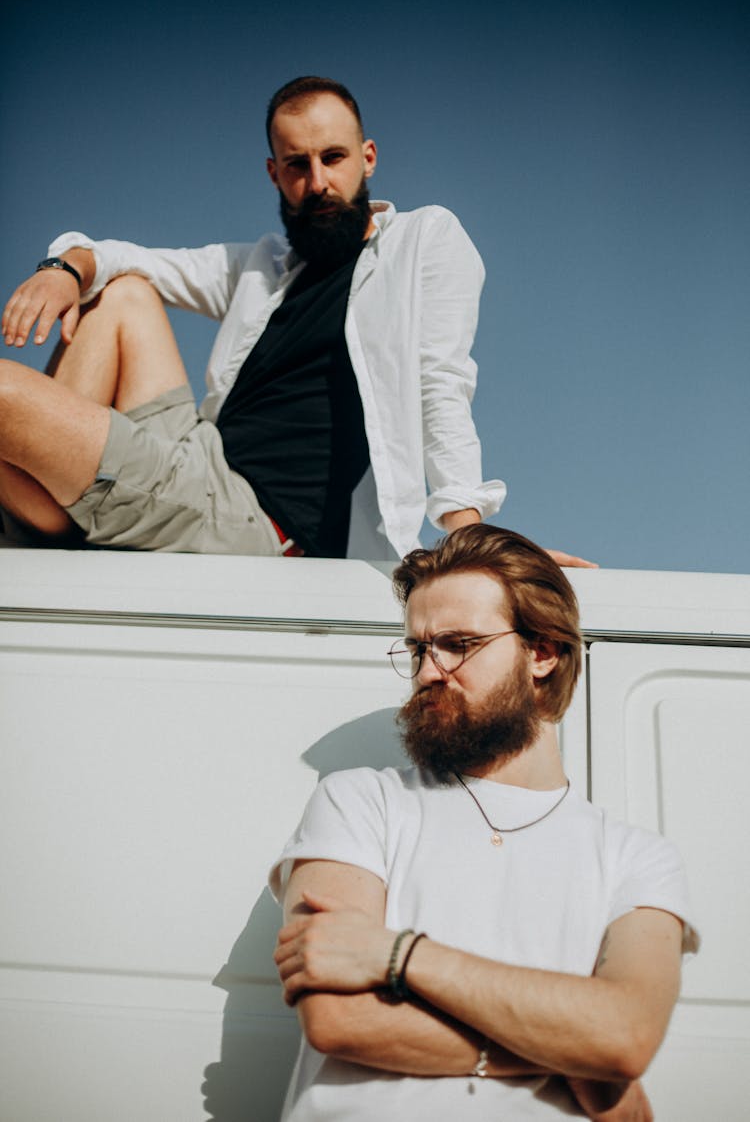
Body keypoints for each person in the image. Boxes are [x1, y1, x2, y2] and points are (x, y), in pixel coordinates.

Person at [270, 524, 698, 1120]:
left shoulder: (637, 857)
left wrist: (399, 955)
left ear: (542, 652)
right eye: (419, 649)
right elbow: (339, 1018)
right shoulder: (360, 802)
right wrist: (574, 1055)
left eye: (458, 644)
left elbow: (625, 1036)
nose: (427, 672)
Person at [0, 75, 522, 560]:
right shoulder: (265, 267)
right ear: (275, 173)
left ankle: (44, 515)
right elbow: (127, 257)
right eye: (297, 165)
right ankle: (52, 515)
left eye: (333, 158)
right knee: (125, 291)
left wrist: (469, 538)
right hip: (200, 462)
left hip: (250, 519)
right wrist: (63, 268)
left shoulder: (421, 242)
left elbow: (440, 384)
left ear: (368, 158)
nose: (317, 182)